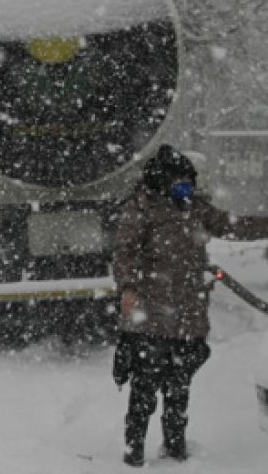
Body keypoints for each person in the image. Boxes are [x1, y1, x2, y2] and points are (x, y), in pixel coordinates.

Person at [110, 144, 268, 466]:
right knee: (144, 389)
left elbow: (232, 225)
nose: (187, 187)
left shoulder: (195, 208)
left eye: (189, 181)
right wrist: (128, 289)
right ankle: (133, 454)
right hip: (151, 317)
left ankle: (176, 449)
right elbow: (124, 253)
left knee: (178, 389)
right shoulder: (141, 209)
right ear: (162, 180)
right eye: (180, 181)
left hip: (187, 317)